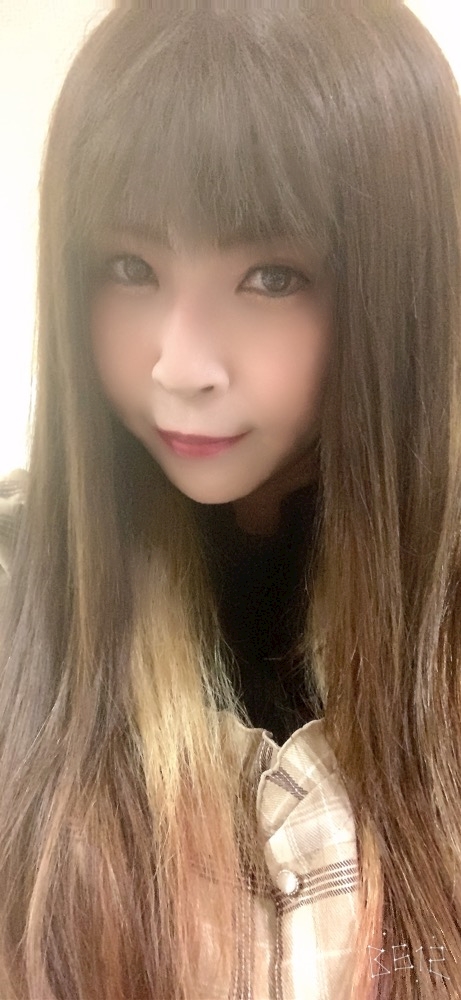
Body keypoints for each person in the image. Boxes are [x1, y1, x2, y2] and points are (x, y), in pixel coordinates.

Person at [0, 2, 460, 997]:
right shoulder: (19, 605)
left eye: (270, 276)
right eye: (129, 268)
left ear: (401, 290)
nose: (179, 364)